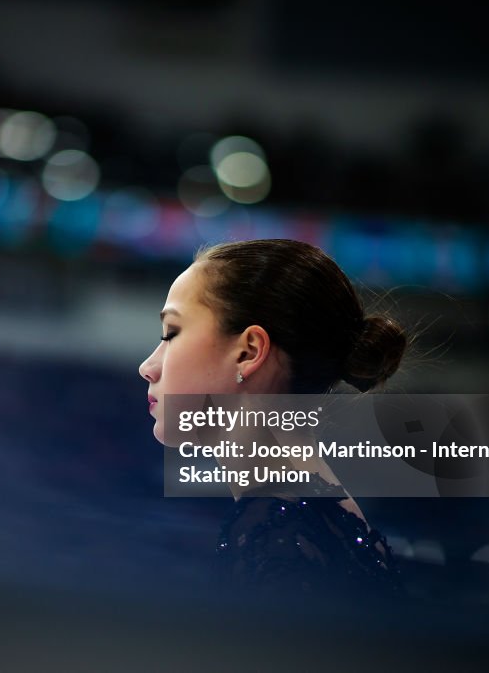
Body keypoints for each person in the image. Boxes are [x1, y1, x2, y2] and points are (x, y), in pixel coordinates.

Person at [139, 238, 408, 598]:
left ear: (248, 352)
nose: (148, 367)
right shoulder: (312, 516)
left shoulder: (278, 534)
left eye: (171, 334)